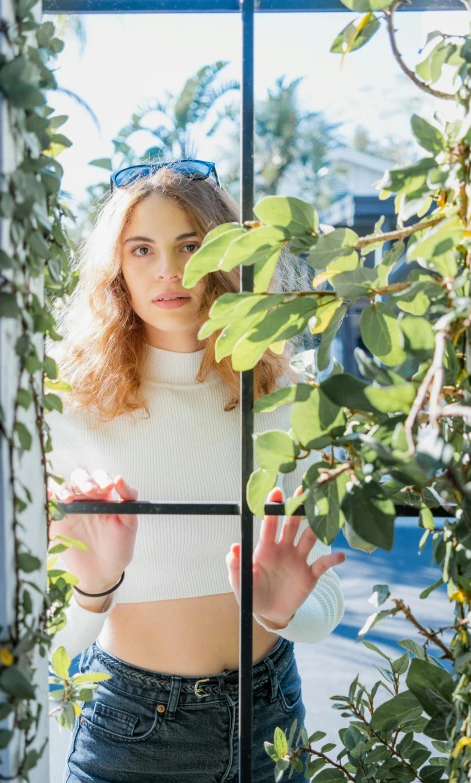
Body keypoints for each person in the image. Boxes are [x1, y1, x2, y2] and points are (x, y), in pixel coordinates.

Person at [45, 159, 346, 783]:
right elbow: (47, 661)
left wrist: (284, 612)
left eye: (191, 245)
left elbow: (326, 598)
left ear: (229, 256)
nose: (169, 271)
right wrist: (94, 588)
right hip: (134, 730)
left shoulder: (289, 396)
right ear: (116, 271)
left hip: (271, 720)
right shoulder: (71, 408)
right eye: (142, 249)